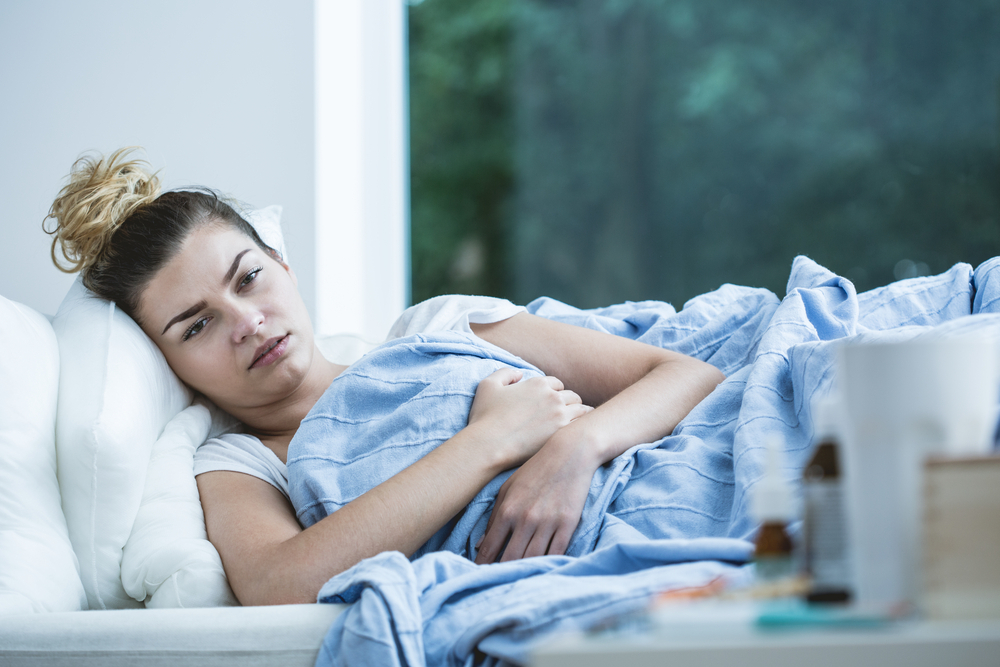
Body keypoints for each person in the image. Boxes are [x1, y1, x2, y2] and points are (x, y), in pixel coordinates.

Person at [46, 149, 725, 606]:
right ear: (169, 364)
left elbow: (686, 374)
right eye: (196, 326)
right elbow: (281, 583)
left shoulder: (437, 330)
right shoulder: (236, 462)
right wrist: (488, 440)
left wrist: (573, 450)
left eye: (248, 277)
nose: (247, 323)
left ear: (282, 262)